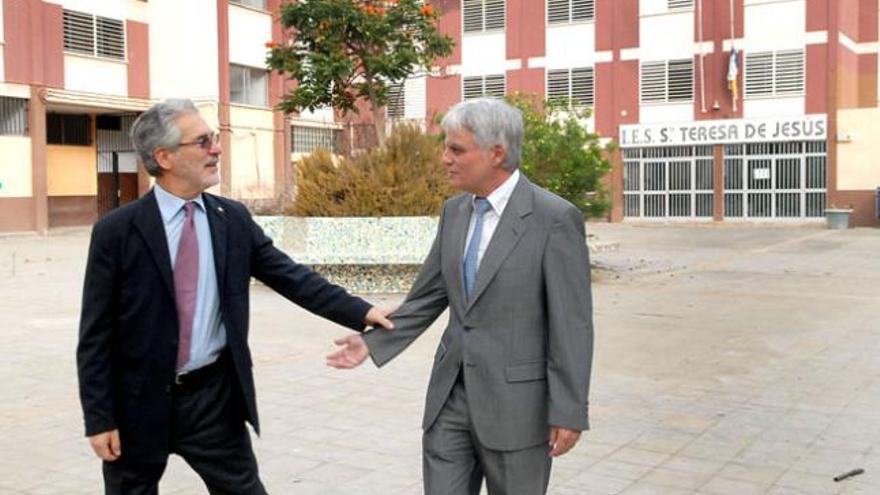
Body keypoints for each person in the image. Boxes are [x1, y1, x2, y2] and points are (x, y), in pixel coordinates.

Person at [77, 99, 393, 494]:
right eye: (203, 141)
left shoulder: (232, 220)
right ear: (165, 157)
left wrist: (363, 311)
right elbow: (95, 334)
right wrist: (99, 417)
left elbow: (291, 277)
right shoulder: (117, 231)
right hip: (136, 404)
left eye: (215, 138)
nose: (217, 148)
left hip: (213, 399)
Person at [327, 98, 594, 494]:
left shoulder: (554, 219)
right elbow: (429, 295)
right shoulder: (455, 212)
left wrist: (569, 411)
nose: (444, 158)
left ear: (497, 153)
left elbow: (572, 325)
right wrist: (373, 342)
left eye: (456, 149)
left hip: (518, 408)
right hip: (450, 399)